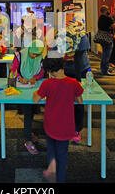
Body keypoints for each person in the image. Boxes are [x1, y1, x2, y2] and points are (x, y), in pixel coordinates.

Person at [33, 57, 83, 183]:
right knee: (62, 154)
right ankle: (59, 178)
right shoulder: (73, 83)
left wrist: (35, 92)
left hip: (50, 124)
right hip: (66, 126)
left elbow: (36, 100)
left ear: (49, 71)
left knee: (51, 150)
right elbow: (80, 101)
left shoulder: (47, 84)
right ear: (62, 66)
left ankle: (52, 172)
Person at [10, 40, 46, 154]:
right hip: (22, 88)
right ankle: (28, 140)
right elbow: (13, 70)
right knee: (27, 112)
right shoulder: (20, 55)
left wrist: (35, 77)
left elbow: (42, 71)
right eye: (33, 53)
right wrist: (20, 78)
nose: (34, 56)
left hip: (34, 87)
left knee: (32, 112)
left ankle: (29, 132)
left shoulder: (40, 57)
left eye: (37, 54)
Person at [63, 13, 90, 144]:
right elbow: (80, 56)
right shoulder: (83, 35)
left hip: (68, 70)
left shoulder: (65, 33)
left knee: (67, 101)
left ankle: (72, 128)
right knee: (78, 101)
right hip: (79, 70)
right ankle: (76, 130)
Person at [97, 5, 115, 76]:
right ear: (106, 11)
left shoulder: (100, 18)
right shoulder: (107, 18)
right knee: (107, 54)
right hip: (107, 38)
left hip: (102, 38)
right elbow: (114, 26)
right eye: (108, 9)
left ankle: (103, 69)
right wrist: (111, 19)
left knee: (104, 53)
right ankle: (105, 70)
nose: (109, 11)